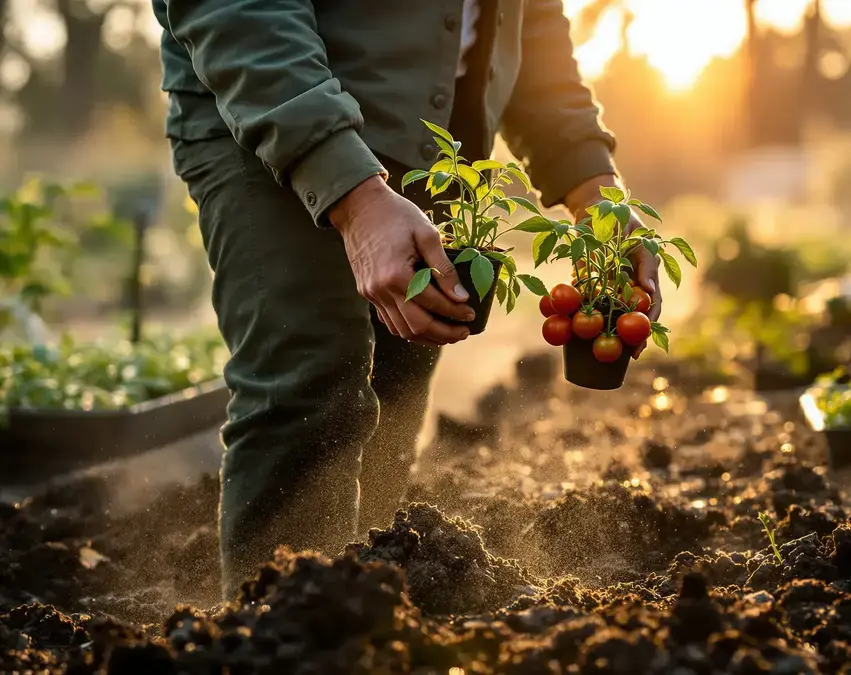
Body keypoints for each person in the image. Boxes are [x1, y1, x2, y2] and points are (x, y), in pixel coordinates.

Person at [152, 0, 663, 599]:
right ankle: (280, 636)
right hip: (267, 116)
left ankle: (367, 614)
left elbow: (531, 23)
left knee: (397, 385)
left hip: (431, 142)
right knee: (310, 385)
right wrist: (354, 193)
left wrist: (594, 186)